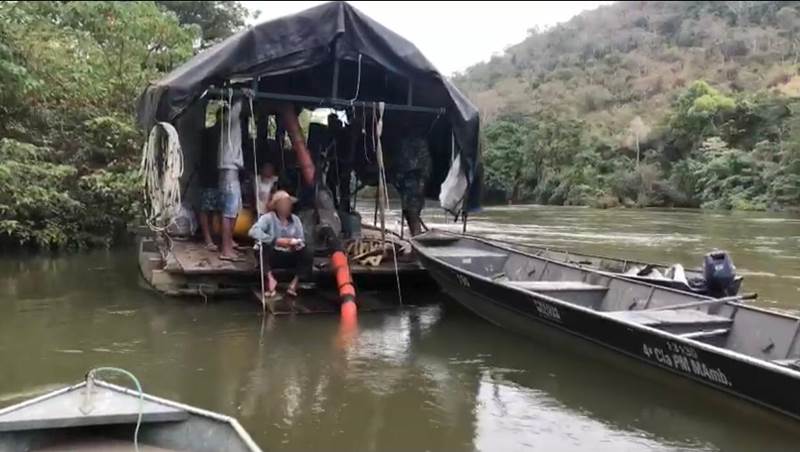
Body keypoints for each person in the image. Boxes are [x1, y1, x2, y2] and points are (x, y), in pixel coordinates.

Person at [248, 190, 312, 297]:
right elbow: (253, 232)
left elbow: (301, 239)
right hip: (274, 255)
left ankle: (294, 284)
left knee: (308, 251)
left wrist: (295, 244)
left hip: (290, 255)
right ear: (277, 206)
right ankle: (270, 279)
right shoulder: (268, 218)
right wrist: (275, 240)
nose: (287, 206)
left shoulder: (295, 220)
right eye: (284, 204)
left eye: (288, 204)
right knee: (261, 248)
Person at [217, 98, 245, 261]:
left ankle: (229, 242)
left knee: (234, 209)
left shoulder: (228, 123)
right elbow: (237, 107)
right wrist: (242, 96)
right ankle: (226, 249)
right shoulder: (229, 119)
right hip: (229, 170)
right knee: (229, 211)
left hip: (230, 169)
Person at [392, 134, 431, 236]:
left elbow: (424, 168)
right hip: (410, 184)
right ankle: (415, 234)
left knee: (412, 211)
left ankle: (416, 235)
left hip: (414, 184)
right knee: (409, 211)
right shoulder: (407, 143)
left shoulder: (417, 144)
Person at [198, 110, 222, 251]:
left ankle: (214, 237)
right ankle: (208, 238)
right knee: (206, 209)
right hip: (208, 175)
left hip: (221, 176)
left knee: (216, 210)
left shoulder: (227, 135)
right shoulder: (208, 133)